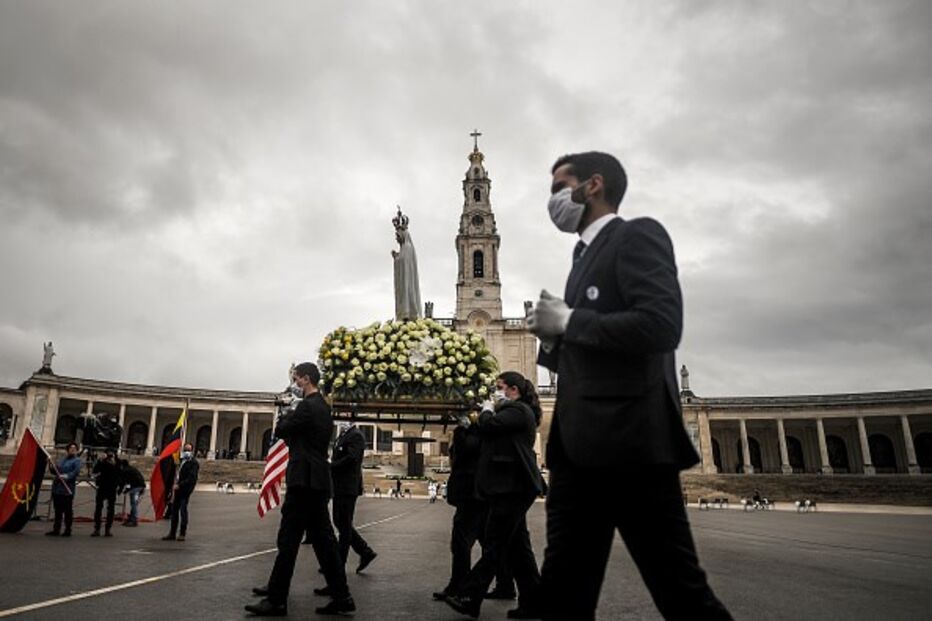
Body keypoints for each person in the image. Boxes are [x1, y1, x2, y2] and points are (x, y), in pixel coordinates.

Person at [528, 151, 732, 620]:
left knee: (680, 592)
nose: (554, 199)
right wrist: (555, 339)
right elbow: (594, 342)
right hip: (577, 451)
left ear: (593, 185)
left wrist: (572, 319)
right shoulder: (581, 257)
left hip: (631, 446)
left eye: (560, 186)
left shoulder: (637, 236)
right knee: (561, 593)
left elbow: (660, 326)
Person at [246, 362, 355, 617]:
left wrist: (288, 410)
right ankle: (342, 596)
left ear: (306, 380)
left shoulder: (307, 406)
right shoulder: (323, 408)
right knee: (324, 542)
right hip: (316, 480)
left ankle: (276, 600)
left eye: (296, 380)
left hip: (304, 480)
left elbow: (281, 430)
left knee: (289, 539)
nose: (294, 385)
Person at [445, 371, 544, 619]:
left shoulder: (518, 410)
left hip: (512, 488)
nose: (496, 392)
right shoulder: (515, 411)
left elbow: (489, 425)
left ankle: (469, 596)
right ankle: (534, 602)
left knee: (495, 543)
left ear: (513, 390)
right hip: (512, 487)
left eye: (499, 387)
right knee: (518, 547)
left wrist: (486, 410)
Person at [330, 421, 377, 573]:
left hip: (348, 486)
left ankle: (339, 563)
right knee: (340, 522)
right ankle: (364, 551)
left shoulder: (356, 436)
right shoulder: (343, 435)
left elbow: (351, 458)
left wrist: (332, 465)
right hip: (340, 486)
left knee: (343, 525)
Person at [163, 443, 199, 541]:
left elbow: (192, 478)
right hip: (176, 490)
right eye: (185, 449)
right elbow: (174, 470)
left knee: (183, 511)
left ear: (192, 451)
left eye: (189, 450)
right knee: (174, 511)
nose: (187, 451)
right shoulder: (180, 461)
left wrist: (180, 485)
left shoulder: (194, 463)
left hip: (185, 491)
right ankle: (172, 533)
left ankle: (182, 533)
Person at [46, 442, 81, 537]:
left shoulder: (77, 461)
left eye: (74, 448)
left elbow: (75, 472)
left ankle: (67, 529)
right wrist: (51, 464)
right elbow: (55, 471)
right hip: (57, 488)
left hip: (67, 489)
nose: (72, 450)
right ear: (68, 449)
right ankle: (56, 529)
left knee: (67, 510)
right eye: (71, 448)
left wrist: (67, 476)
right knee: (58, 510)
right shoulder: (62, 460)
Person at [91, 448, 120, 537]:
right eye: (108, 453)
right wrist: (101, 460)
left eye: (111, 453)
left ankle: (108, 529)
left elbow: (119, 473)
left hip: (112, 488)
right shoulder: (102, 462)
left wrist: (114, 462)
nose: (110, 455)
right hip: (102, 487)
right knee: (98, 508)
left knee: (110, 509)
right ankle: (97, 528)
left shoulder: (117, 462)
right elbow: (95, 471)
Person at [119, 459, 146, 527]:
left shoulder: (125, 470)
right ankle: (131, 518)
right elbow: (129, 481)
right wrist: (127, 489)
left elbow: (124, 482)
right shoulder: (131, 468)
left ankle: (134, 520)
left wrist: (120, 490)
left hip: (136, 487)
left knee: (133, 503)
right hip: (140, 486)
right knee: (134, 503)